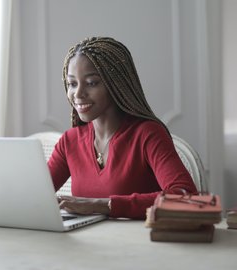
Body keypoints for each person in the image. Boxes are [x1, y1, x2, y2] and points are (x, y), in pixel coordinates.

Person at [48, 37, 197, 219]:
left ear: (116, 83)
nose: (78, 94)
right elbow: (35, 195)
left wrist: (103, 205)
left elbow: (186, 197)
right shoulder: (69, 141)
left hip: (139, 243)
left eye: (92, 83)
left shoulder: (147, 134)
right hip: (86, 243)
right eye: (72, 83)